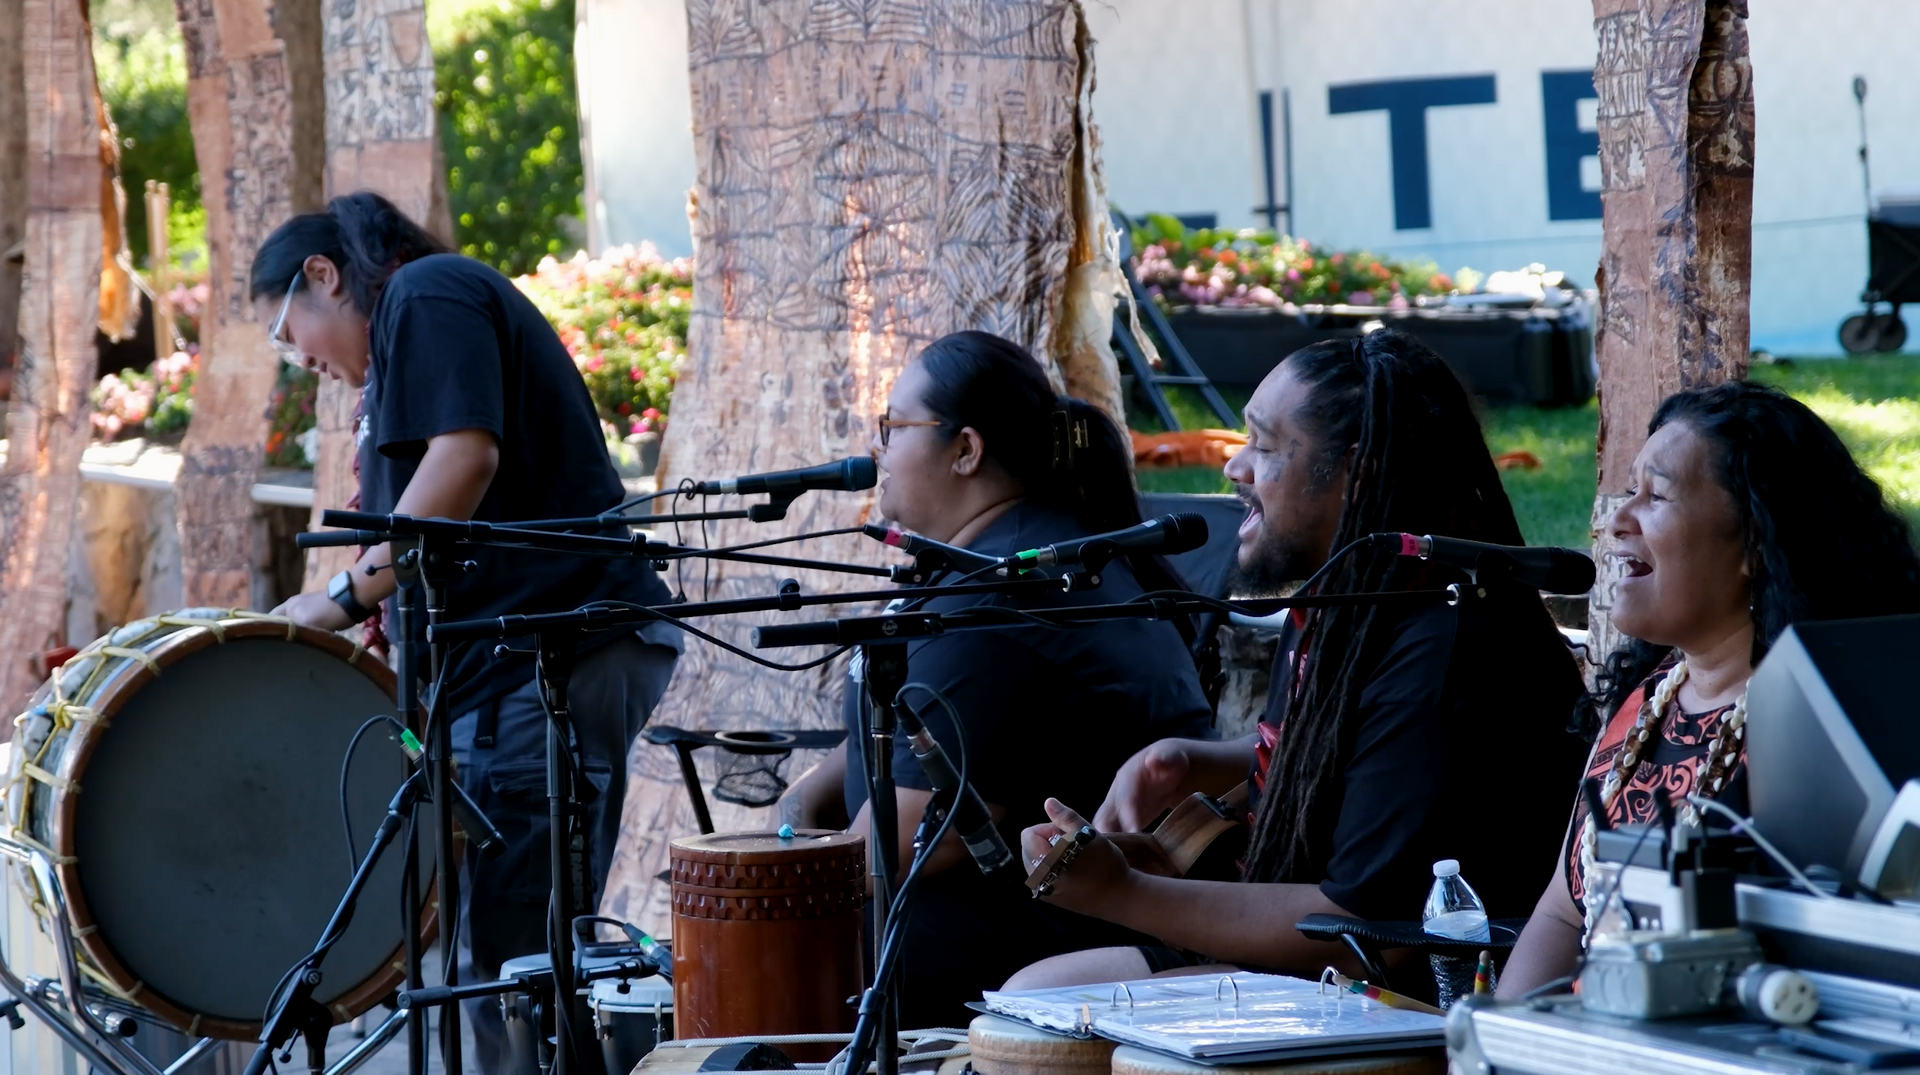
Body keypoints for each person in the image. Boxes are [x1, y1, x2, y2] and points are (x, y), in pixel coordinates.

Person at [1006, 329, 1590, 991]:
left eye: (1262, 443)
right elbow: (1368, 752)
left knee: (1043, 995)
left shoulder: (1443, 648)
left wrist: (1123, 891)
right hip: (1325, 964)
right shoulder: (1353, 601)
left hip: (1397, 998)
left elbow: (1363, 928)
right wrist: (1205, 758)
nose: (1234, 467)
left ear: (1357, 473)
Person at [255, 192, 682, 1071]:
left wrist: (337, 594)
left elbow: (464, 459)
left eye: (285, 331)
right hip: (504, 675)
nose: (299, 359)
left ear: (323, 275)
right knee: (492, 963)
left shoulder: (429, 292)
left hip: (543, 662)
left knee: (511, 965)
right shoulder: (409, 329)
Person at [775, 330, 1214, 1027]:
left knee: (801, 942)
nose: (876, 451)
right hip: (1023, 909)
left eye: (892, 427)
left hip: (1074, 929)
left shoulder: (1002, 601)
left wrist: (764, 872)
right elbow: (878, 749)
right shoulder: (991, 564)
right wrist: (792, 819)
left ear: (966, 450)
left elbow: (904, 846)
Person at [1497, 381, 1920, 997]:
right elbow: (1563, 915)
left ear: (1753, 540)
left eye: (1657, 495)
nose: (1618, 519)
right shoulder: (1645, 704)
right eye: (1630, 490)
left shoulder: (1824, 724)